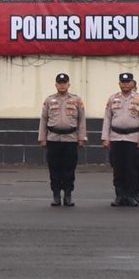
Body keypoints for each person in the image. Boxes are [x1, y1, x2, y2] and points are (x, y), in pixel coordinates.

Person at [102, 72, 139, 207]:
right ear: (119, 84)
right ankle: (119, 195)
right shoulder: (112, 99)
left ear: (132, 83)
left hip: (132, 138)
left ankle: (130, 195)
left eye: (128, 82)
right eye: (123, 82)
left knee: (131, 168)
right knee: (118, 168)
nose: (125, 84)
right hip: (116, 138)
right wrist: (105, 137)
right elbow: (107, 119)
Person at [39, 72, 87, 206]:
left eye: (64, 83)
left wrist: (81, 137)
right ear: (56, 85)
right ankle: (56, 195)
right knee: (54, 169)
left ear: (68, 85)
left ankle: (67, 194)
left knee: (69, 169)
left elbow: (82, 120)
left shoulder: (76, 100)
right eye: (59, 83)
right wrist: (42, 138)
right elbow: (43, 120)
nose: (62, 85)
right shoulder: (49, 100)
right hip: (53, 139)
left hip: (70, 139)